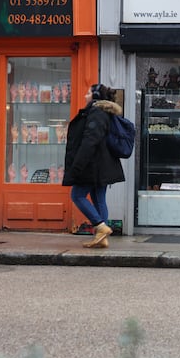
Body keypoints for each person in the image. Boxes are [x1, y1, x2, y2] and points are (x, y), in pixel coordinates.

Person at [63, 83, 125, 248]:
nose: (85, 96)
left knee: (77, 195)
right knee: (99, 200)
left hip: (92, 166)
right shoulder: (102, 113)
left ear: (96, 96)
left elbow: (90, 141)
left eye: (88, 93)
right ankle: (102, 238)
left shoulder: (96, 113)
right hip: (101, 165)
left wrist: (77, 166)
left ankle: (100, 226)